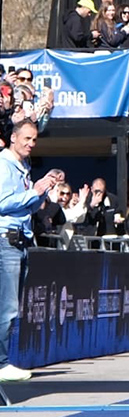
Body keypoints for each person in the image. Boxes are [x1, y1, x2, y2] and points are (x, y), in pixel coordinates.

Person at [0, 121, 63, 382]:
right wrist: (33, 192)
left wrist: (43, 188)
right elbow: (3, 203)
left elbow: (29, 207)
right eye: (27, 138)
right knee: (7, 307)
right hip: (5, 240)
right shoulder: (4, 165)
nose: (31, 144)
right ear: (13, 138)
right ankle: (2, 363)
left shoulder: (23, 166)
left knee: (10, 306)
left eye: (34, 139)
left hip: (20, 240)